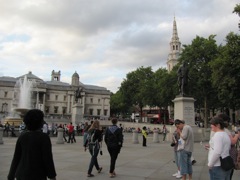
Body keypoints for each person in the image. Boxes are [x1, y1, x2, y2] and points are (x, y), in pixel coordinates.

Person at [7, 109, 56, 180]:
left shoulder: (22, 136)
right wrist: (52, 176)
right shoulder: (44, 137)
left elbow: (16, 157)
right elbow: (48, 159)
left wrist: (11, 175)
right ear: (40, 122)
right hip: (38, 174)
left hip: (21, 174)